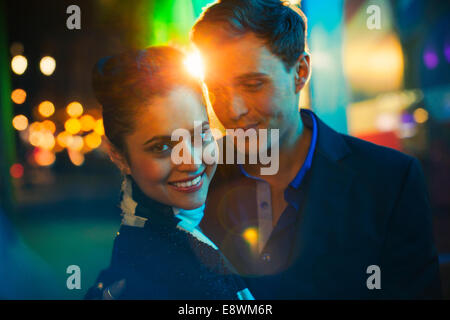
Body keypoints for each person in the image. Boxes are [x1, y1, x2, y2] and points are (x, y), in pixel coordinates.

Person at [190, 0, 442, 299]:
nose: (233, 110)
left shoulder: (389, 181)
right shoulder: (192, 178)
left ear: (300, 71)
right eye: (216, 90)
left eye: (254, 84)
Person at [84, 46, 254, 300]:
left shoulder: (157, 233)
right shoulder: (160, 269)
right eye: (162, 147)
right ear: (119, 156)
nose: (192, 162)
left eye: (201, 134)